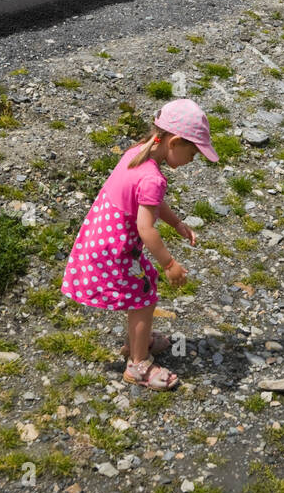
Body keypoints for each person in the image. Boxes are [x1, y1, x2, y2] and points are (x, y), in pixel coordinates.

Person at [60, 99, 219, 390]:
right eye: (193, 152)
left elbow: (150, 203)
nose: (193, 159)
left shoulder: (137, 154)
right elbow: (145, 228)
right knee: (144, 297)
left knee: (142, 289)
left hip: (103, 241)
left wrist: (176, 223)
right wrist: (169, 263)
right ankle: (138, 364)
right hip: (116, 250)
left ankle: (139, 339)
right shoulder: (153, 178)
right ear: (175, 142)